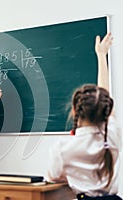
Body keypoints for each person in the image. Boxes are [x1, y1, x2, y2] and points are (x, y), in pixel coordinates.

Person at [47, 33, 122, 200]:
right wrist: (102, 56)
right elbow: (105, 95)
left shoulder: (63, 149)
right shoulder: (113, 135)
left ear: (74, 111)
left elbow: (53, 178)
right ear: (106, 110)